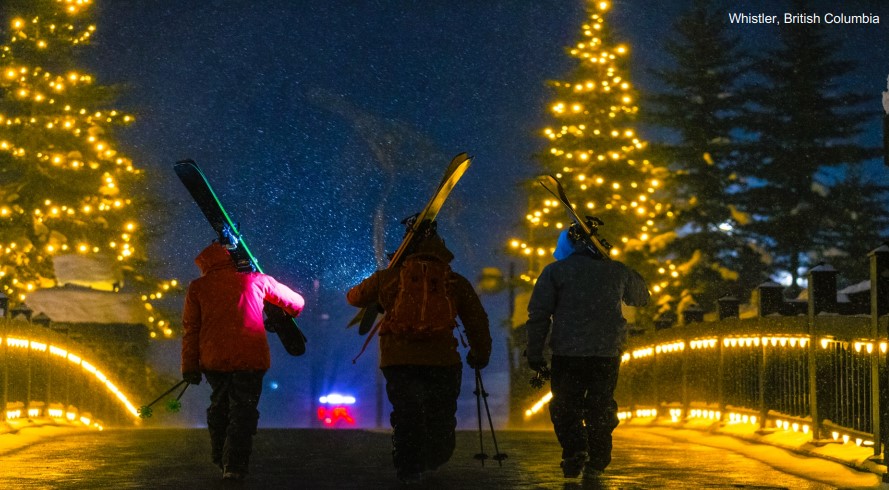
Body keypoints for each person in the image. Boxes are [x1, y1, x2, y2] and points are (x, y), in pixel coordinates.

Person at [346, 227, 491, 484]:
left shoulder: (389, 278)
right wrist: (480, 353)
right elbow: (476, 320)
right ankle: (435, 459)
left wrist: (381, 290)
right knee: (441, 414)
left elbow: (354, 297)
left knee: (406, 413)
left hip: (399, 359)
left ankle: (409, 468)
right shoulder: (454, 281)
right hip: (442, 360)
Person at [525, 228, 649, 479]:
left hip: (568, 353)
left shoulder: (556, 272)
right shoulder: (615, 270)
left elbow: (539, 315)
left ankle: (574, 449)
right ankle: (599, 455)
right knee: (600, 405)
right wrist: (619, 266)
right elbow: (640, 297)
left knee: (565, 405)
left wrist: (535, 351)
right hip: (605, 352)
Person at [181, 242, 305, 481]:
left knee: (220, 406)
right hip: (250, 358)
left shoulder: (198, 287)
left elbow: (191, 330)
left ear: (205, 263)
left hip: (213, 360)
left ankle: (219, 456)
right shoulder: (256, 280)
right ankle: (235, 465)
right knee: (243, 411)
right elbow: (297, 303)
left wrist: (189, 367)